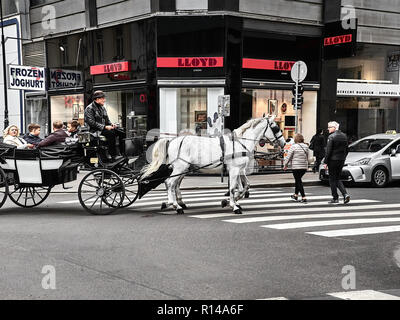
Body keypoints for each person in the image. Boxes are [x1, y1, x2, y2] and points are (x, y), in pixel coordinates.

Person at [84, 90, 125, 159]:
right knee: (111, 134)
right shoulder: (89, 108)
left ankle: (122, 152)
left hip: (103, 129)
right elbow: (91, 123)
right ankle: (113, 155)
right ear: (97, 99)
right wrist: (105, 127)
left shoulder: (102, 107)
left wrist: (112, 125)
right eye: (103, 98)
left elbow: (107, 119)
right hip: (94, 130)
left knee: (121, 132)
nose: (104, 100)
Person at [323, 121, 350, 204]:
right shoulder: (344, 136)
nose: (328, 129)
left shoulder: (331, 137)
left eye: (329, 127)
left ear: (334, 128)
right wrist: (343, 158)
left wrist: (325, 162)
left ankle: (335, 197)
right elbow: (347, 149)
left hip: (332, 160)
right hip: (341, 160)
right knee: (337, 178)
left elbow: (329, 150)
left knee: (332, 179)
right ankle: (345, 194)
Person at [283, 133, 311, 203]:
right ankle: (295, 195)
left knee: (298, 181)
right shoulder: (306, 146)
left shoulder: (293, 146)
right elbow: (307, 157)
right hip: (303, 167)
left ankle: (304, 197)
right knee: (298, 180)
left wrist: (285, 165)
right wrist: (307, 166)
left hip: (296, 167)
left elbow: (289, 157)